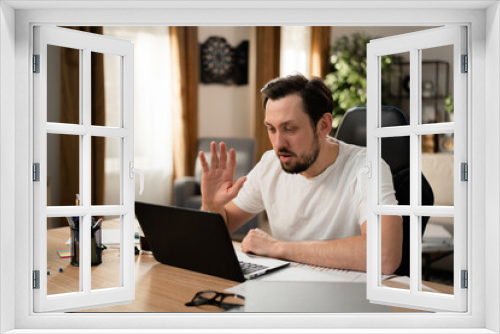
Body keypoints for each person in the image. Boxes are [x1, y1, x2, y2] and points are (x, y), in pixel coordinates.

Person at [199, 74, 403, 275]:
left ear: (323, 125)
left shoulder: (366, 168)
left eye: (289, 129)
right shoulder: (271, 164)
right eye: (271, 129)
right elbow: (211, 237)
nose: (279, 144)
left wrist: (279, 248)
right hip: (287, 287)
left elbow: (384, 256)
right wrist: (212, 205)